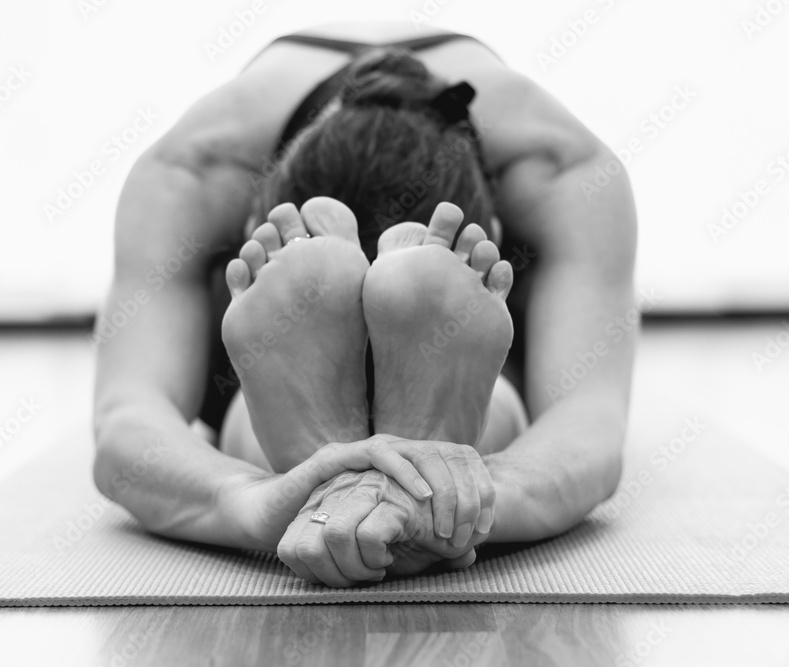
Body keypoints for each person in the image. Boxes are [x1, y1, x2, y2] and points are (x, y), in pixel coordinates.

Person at [92, 22, 637, 588]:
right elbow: (590, 424)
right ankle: (436, 463)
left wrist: (249, 500)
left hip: (367, 326)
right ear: (248, 222)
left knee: (241, 417)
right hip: (429, 326)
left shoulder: (185, 173)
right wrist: (461, 503)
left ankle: (311, 467)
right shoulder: (568, 167)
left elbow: (126, 425)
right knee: (505, 409)